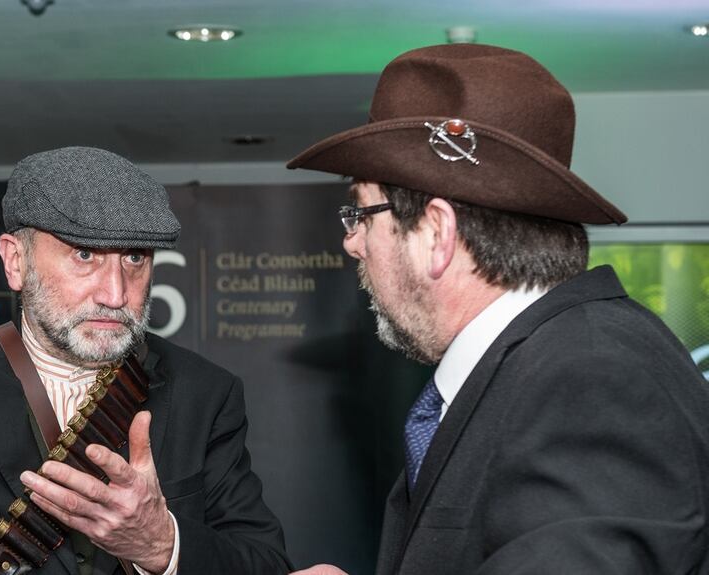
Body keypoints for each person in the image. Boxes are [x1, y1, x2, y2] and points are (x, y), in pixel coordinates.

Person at [286, 44, 709, 574]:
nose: (352, 243)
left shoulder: (590, 378)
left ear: (436, 233)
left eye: (362, 215)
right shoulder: (547, 364)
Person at [0, 146, 291, 575]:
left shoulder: (204, 393)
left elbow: (267, 563)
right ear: (15, 261)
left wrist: (162, 544)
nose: (115, 294)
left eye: (134, 257)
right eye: (84, 254)